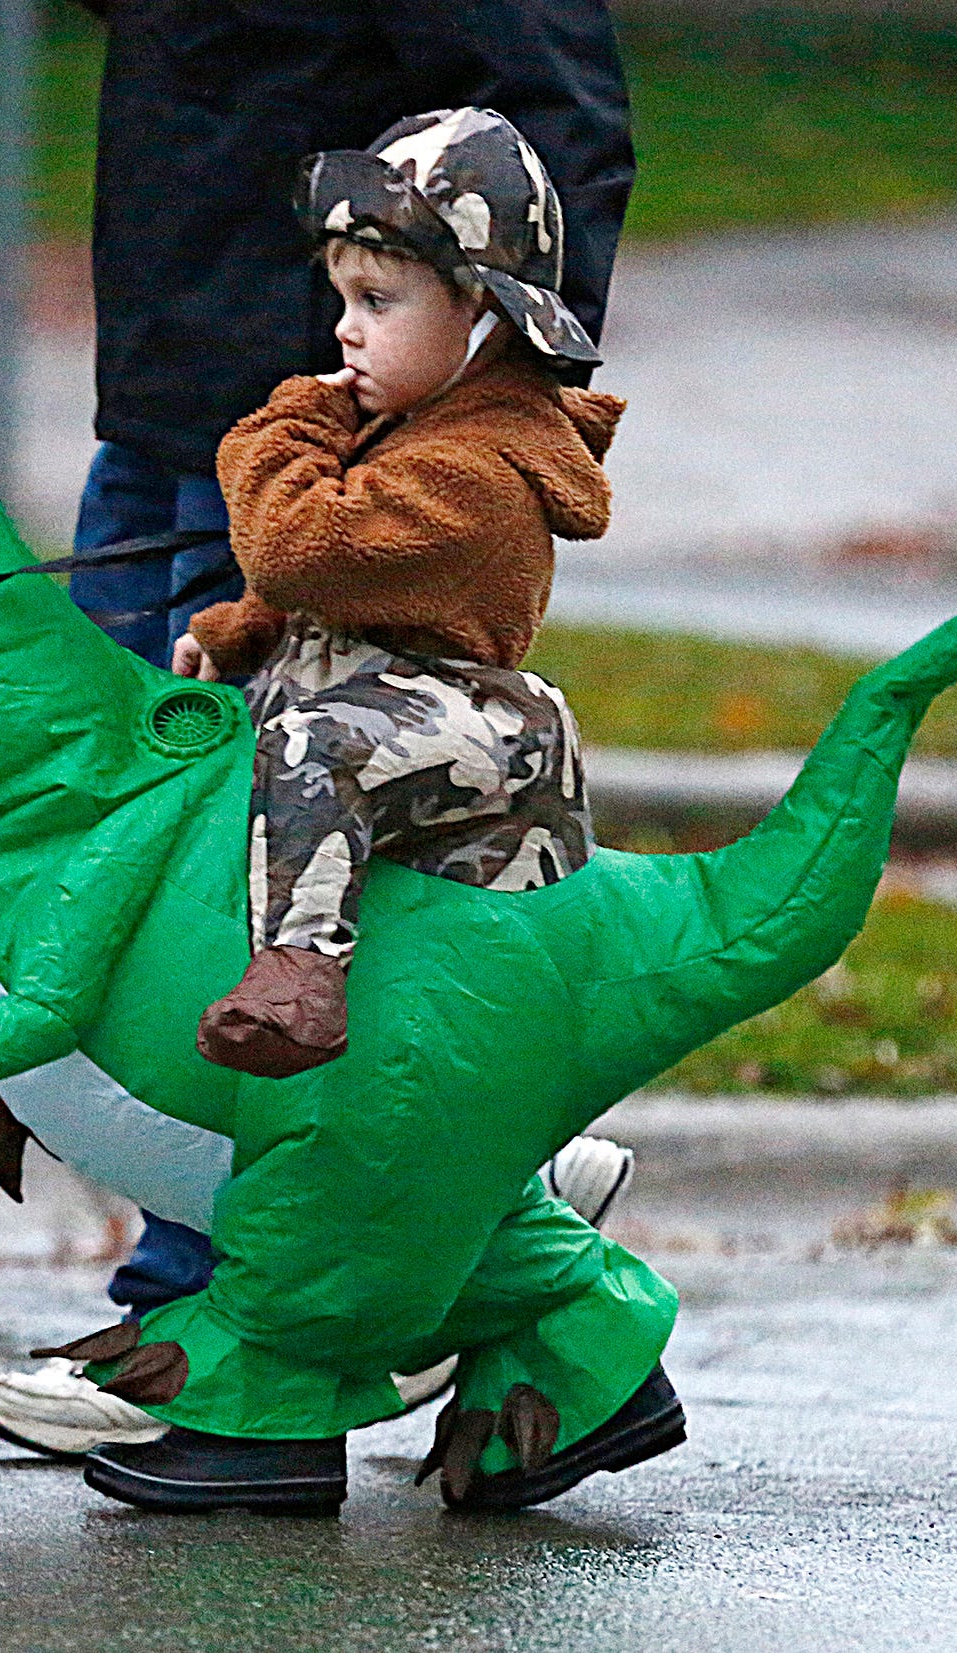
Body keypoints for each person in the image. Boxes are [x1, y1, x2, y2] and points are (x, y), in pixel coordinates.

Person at [0, 0, 638, 1459]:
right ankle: (500, 1231)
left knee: (247, 893)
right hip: (161, 415)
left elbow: (558, 111)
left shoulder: (399, 422)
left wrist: (464, 417)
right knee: (129, 869)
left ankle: (217, 1315)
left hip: (314, 468)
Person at [185, 107, 618, 1077]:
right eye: (341, 299)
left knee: (310, 742)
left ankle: (299, 976)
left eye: (377, 302)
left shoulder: (477, 466)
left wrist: (287, 424)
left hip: (484, 733)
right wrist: (238, 636)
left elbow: (300, 550)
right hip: (401, 713)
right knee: (254, 740)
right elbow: (334, 593)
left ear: (478, 316)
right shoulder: (415, 425)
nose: (343, 331)